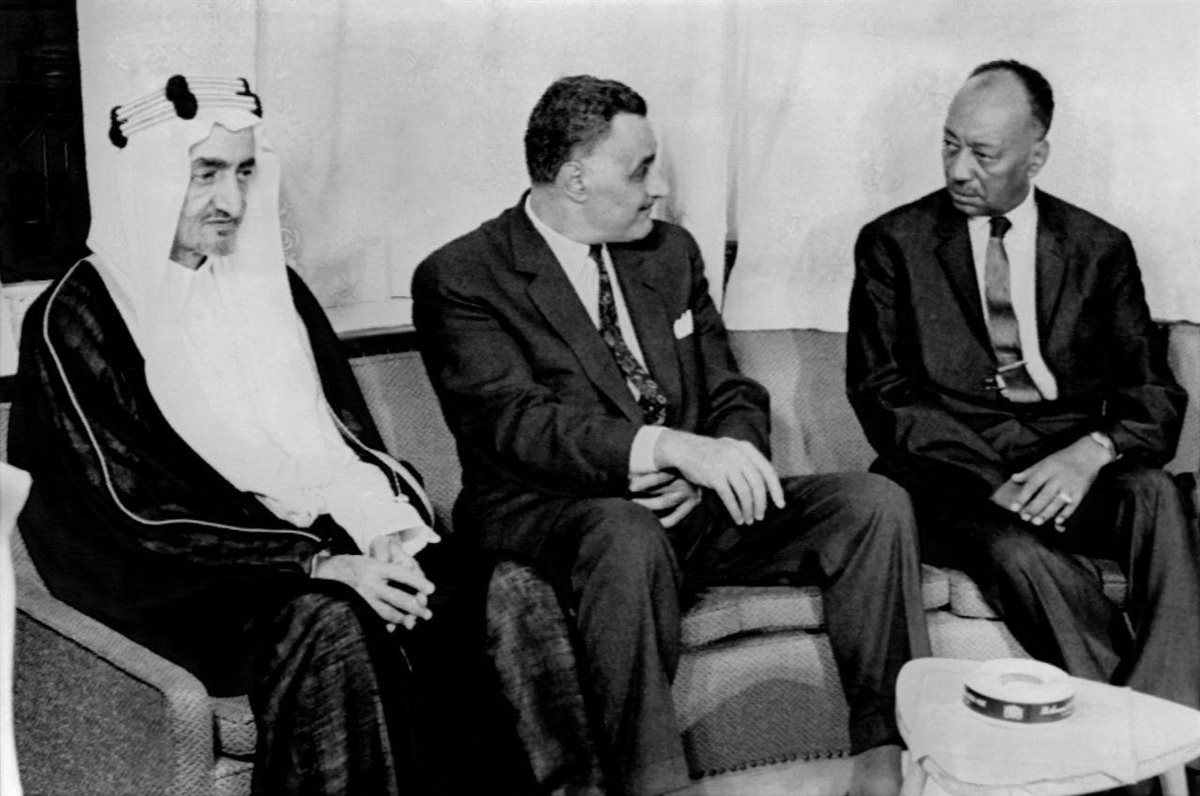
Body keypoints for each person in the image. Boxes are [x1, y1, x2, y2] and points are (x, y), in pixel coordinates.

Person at [413, 74, 930, 796]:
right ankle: (653, 784)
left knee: (871, 504)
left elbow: (730, 389)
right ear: (576, 180)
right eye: (640, 170)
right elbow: (517, 424)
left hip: (693, 510)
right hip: (560, 518)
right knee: (623, 530)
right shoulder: (464, 276)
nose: (657, 189)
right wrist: (673, 450)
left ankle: (886, 756)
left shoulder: (668, 254)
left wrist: (723, 459)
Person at [9, 74, 519, 795]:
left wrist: (383, 534)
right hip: (184, 587)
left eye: (245, 172)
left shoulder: (274, 287)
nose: (232, 200)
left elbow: (347, 444)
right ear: (144, 181)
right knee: (335, 623)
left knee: (507, 592)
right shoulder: (76, 315)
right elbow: (135, 511)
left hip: (312, 551)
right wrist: (313, 563)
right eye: (205, 173)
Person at [847, 58, 1199, 736]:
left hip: (1067, 467)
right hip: (951, 479)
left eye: (983, 154)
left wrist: (1092, 452)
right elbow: (881, 395)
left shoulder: (1099, 248)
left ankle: (1165, 724)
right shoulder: (893, 243)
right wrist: (994, 480)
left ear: (1036, 156)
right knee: (1020, 555)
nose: (958, 170)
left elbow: (1154, 394)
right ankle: (1137, 747)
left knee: (1156, 493)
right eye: (949, 144)